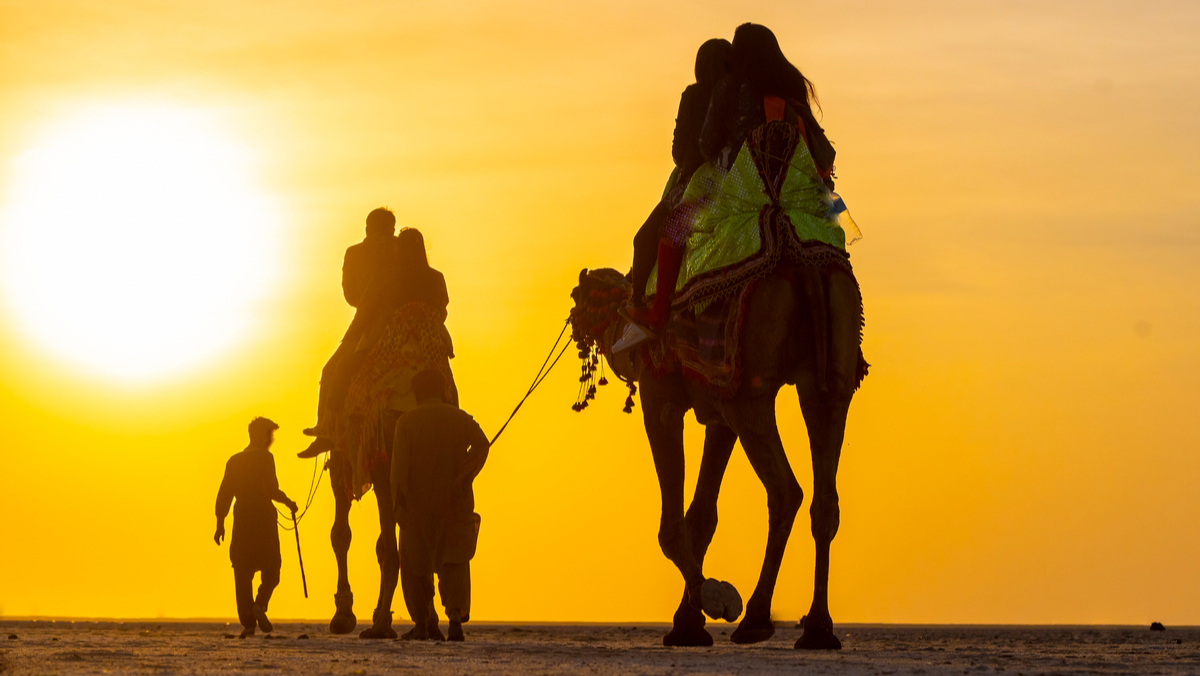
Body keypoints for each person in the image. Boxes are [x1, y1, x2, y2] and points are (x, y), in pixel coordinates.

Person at [627, 23, 837, 333]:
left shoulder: (731, 87)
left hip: (736, 180)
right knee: (831, 229)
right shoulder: (789, 90)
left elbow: (708, 144)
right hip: (790, 183)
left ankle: (658, 311)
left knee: (673, 227)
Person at [622, 38, 731, 328]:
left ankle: (641, 307)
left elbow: (679, 152)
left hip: (698, 182)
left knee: (644, 239)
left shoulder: (695, 96)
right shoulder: (741, 95)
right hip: (739, 184)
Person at [391, 369, 489, 642]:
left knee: (413, 565)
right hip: (454, 504)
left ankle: (421, 623)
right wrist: (463, 476)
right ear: (442, 390)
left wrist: (398, 507)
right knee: (454, 562)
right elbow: (482, 445)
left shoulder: (406, 422)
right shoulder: (460, 418)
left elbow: (399, 470)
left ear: (417, 393)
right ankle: (455, 621)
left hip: (417, 506)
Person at [302, 207, 398, 444]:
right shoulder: (404, 249)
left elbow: (351, 296)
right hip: (408, 323)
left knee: (332, 371)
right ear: (392, 227)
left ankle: (326, 427)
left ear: (368, 227)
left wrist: (366, 303)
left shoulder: (355, 252)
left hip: (368, 327)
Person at [214, 417, 298, 638]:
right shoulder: (266, 459)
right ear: (260, 435)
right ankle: (260, 603)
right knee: (272, 570)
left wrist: (219, 523)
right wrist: (288, 502)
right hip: (263, 519)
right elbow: (271, 490)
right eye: (269, 435)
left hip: (241, 521)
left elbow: (225, 493)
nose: (271, 440)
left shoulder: (234, 461)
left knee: (242, 573)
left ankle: (249, 623)